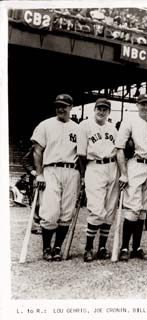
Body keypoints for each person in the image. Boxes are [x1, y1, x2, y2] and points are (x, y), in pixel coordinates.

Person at [31, 94, 81, 261]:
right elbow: (37, 151)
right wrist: (39, 175)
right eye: (58, 105)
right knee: (50, 211)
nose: (60, 108)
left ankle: (58, 247)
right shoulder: (45, 125)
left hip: (72, 171)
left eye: (64, 105)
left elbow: (82, 155)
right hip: (51, 169)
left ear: (71, 106)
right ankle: (46, 248)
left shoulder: (78, 128)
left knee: (67, 212)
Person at [115, 94, 147, 261]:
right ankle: (124, 247)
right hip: (135, 163)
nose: (145, 106)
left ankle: (137, 247)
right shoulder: (129, 120)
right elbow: (119, 148)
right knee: (133, 207)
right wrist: (124, 174)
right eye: (142, 103)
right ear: (137, 104)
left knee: (143, 209)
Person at [77, 98, 119, 262]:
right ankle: (88, 248)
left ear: (109, 112)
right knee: (96, 208)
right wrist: (82, 175)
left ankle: (102, 247)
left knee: (109, 210)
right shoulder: (84, 125)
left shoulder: (113, 128)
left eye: (105, 109)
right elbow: (81, 154)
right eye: (99, 108)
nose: (101, 112)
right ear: (94, 109)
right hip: (94, 166)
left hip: (112, 166)